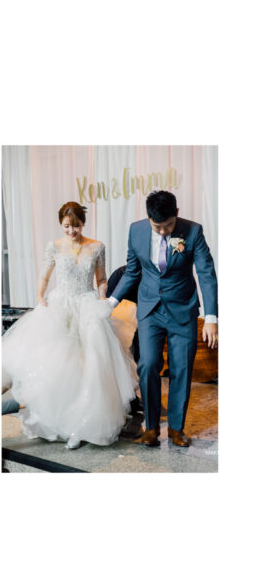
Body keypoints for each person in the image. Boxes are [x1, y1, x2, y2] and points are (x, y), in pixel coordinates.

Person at [2, 202, 138, 448]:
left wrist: (103, 298)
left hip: (87, 305)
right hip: (61, 306)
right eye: (66, 226)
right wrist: (40, 297)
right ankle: (56, 420)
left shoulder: (97, 247)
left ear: (82, 223)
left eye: (75, 226)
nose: (71, 231)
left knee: (90, 367)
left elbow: (101, 278)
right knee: (59, 366)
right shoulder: (54, 246)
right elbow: (44, 275)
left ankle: (83, 425)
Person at [109, 190, 218, 448]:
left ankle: (177, 429)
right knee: (147, 365)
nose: (162, 231)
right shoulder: (136, 231)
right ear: (148, 217)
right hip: (150, 309)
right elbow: (132, 271)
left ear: (176, 214)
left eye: (168, 225)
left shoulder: (193, 231)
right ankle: (151, 428)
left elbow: (206, 272)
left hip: (182, 309)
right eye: (156, 226)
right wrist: (111, 302)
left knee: (181, 368)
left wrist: (211, 317)